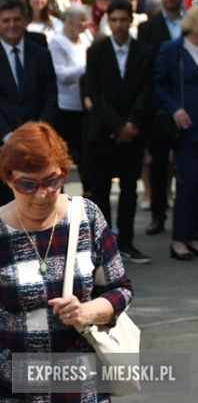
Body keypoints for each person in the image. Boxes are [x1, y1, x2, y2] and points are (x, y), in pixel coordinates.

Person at [0, 121, 134, 403]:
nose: (42, 194)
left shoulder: (86, 216)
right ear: (9, 178)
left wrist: (86, 312)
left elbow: (121, 288)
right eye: (27, 184)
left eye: (52, 181)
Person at [86, 0, 156, 264]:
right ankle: (104, 246)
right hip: (103, 131)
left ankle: (126, 242)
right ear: (108, 20)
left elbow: (146, 92)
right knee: (101, 189)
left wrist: (130, 125)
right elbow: (95, 92)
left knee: (129, 188)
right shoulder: (96, 51)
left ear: (130, 19)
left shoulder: (145, 51)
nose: (118, 25)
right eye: (113, 19)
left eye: (123, 19)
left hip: (134, 131)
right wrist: (117, 126)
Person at [156, 4, 198, 261]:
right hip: (184, 127)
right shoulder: (172, 49)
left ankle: (193, 236)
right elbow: (158, 85)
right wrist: (174, 109)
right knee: (189, 180)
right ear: (192, 23)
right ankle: (178, 240)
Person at [137, 0, 184, 236]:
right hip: (159, 107)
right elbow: (145, 69)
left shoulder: (194, 22)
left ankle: (187, 217)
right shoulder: (148, 27)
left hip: (188, 106)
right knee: (157, 163)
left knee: (187, 167)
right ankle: (158, 214)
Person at [0, 0, 59, 204]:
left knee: (37, 210)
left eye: (16, 19)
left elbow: (51, 97)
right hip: (2, 147)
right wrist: (9, 137)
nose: (12, 25)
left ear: (25, 20)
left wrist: (36, 136)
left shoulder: (41, 54)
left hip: (38, 150)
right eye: (6, 20)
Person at [48, 3, 92, 182]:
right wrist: (87, 68)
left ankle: (89, 192)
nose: (86, 24)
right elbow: (61, 75)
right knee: (63, 153)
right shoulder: (56, 42)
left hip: (85, 104)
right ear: (71, 21)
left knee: (86, 153)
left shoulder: (87, 37)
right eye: (82, 20)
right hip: (65, 107)